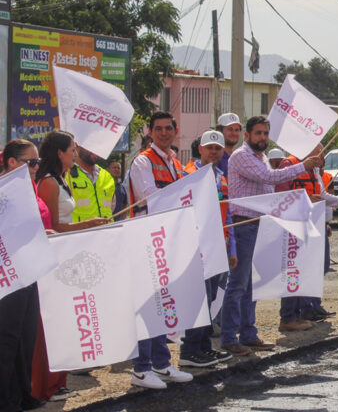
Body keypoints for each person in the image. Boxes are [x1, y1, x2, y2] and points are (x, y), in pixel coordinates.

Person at [224, 116, 323, 353]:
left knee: (251, 285)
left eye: (265, 133)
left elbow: (269, 188)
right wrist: (303, 165)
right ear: (247, 136)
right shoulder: (242, 156)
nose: (262, 138)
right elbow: (270, 178)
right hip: (243, 223)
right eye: (258, 133)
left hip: (258, 223)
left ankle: (248, 334)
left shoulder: (261, 157)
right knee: (238, 284)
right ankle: (229, 338)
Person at [34, 131, 108, 401]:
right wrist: (89, 224)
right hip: (55, 258)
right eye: (72, 150)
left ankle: (59, 381)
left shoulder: (63, 179)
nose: (76, 155)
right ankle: (47, 384)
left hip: (68, 255)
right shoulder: (49, 183)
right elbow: (51, 227)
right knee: (53, 324)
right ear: (60, 154)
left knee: (66, 323)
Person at [127, 112, 193, 389]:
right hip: (145, 238)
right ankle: (141, 369)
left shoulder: (174, 162)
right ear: (150, 132)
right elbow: (149, 196)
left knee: (161, 302)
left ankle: (162, 363)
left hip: (165, 239)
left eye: (168, 128)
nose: (164, 133)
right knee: (147, 305)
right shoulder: (143, 161)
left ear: (175, 131)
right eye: (158, 129)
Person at [275, 144, 338, 327]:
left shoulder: (314, 170)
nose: (322, 154)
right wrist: (306, 201)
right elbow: (279, 197)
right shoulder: (288, 164)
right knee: (294, 271)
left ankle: (302, 311)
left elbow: (324, 196)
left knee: (310, 269)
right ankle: (288, 315)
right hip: (294, 226)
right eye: (319, 150)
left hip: (312, 224)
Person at [179, 130, 236, 368]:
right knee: (198, 299)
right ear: (200, 149)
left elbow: (228, 215)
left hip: (217, 248)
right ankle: (189, 350)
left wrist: (231, 247)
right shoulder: (187, 175)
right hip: (196, 248)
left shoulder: (222, 178)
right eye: (209, 147)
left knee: (211, 297)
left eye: (217, 148)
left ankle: (203, 346)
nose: (213, 152)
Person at [0, 140, 48, 411]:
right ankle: (5, 399)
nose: (36, 167)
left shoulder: (26, 189)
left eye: (37, 162)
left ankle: (21, 393)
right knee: (7, 339)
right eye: (31, 162)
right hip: (8, 275)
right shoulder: (3, 192)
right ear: (12, 163)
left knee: (26, 336)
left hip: (28, 271)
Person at [66, 146, 115, 223]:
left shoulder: (107, 177)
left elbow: (111, 207)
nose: (95, 150)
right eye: (90, 145)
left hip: (107, 231)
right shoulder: (66, 174)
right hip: (80, 233)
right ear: (77, 146)